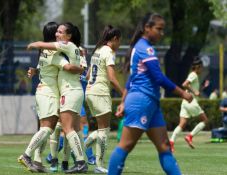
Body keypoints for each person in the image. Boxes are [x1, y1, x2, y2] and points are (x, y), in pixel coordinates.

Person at [107, 13, 193, 175]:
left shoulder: (142, 47)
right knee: (126, 145)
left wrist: (123, 101)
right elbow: (158, 77)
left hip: (150, 103)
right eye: (158, 29)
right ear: (147, 28)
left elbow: (131, 79)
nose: (161, 33)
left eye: (163, 30)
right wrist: (183, 93)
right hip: (142, 101)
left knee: (164, 147)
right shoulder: (144, 48)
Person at [17, 22, 83, 173]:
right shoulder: (55, 54)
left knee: (46, 128)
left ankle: (38, 162)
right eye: (57, 32)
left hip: (43, 91)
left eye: (60, 32)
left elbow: (42, 67)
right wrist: (81, 69)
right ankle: (27, 156)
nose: (57, 35)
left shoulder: (46, 52)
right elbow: (68, 67)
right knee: (48, 128)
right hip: (49, 93)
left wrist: (34, 70)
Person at [83, 25, 124, 174]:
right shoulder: (108, 52)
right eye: (119, 41)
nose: (119, 44)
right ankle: (99, 165)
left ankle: (80, 149)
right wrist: (124, 93)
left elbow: (88, 76)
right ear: (114, 39)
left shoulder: (98, 51)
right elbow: (112, 79)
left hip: (89, 91)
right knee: (104, 130)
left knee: (101, 129)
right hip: (100, 92)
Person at [170, 57, 209, 152]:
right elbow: (184, 84)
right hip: (190, 101)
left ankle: (171, 143)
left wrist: (203, 87)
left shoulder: (194, 75)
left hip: (185, 102)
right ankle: (190, 136)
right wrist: (194, 91)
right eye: (201, 67)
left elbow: (195, 91)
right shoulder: (193, 74)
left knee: (182, 124)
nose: (202, 69)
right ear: (198, 67)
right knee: (205, 120)